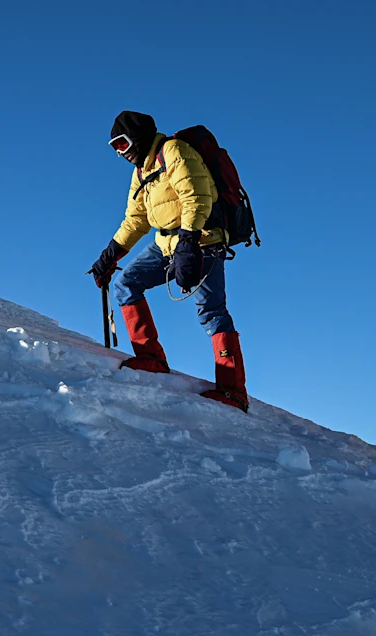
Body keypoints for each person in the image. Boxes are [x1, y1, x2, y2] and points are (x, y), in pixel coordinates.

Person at [88, 110, 248, 412]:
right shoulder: (141, 172)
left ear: (137, 137)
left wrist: (188, 245)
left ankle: (233, 391)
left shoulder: (173, 151)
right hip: (166, 244)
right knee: (126, 283)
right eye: (115, 148)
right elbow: (136, 220)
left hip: (203, 240)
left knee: (211, 311)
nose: (121, 153)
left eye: (122, 144)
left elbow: (196, 197)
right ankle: (151, 357)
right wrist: (110, 255)